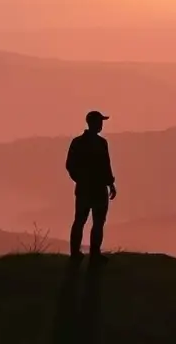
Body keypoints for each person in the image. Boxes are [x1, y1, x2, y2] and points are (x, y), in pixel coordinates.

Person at [66, 110, 117, 262]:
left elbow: (70, 166)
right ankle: (93, 254)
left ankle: (76, 253)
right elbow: (106, 167)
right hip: (97, 189)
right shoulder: (101, 144)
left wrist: (80, 180)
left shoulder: (78, 142)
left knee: (82, 220)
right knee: (96, 222)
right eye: (100, 121)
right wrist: (110, 184)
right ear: (93, 123)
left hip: (86, 189)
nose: (101, 124)